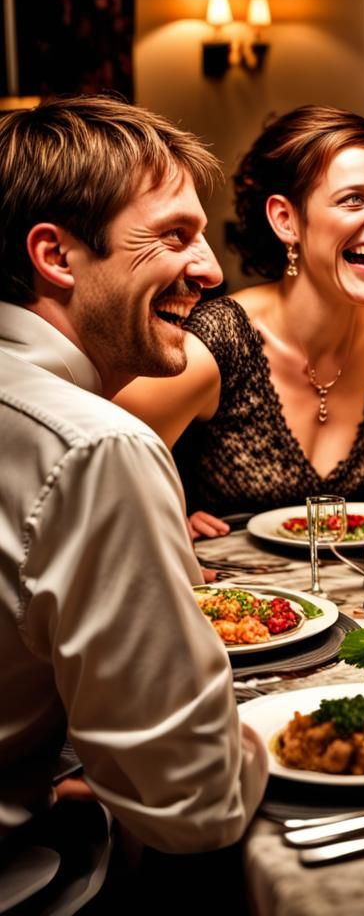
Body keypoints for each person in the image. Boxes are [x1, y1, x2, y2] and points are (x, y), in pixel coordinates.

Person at [0, 96, 267, 855]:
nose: (211, 270)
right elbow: (194, 804)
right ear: (56, 257)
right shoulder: (96, 447)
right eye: (175, 236)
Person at [116, 106, 364, 538]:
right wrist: (164, 519)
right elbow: (96, 460)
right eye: (354, 198)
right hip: (229, 597)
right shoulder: (220, 342)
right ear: (286, 220)